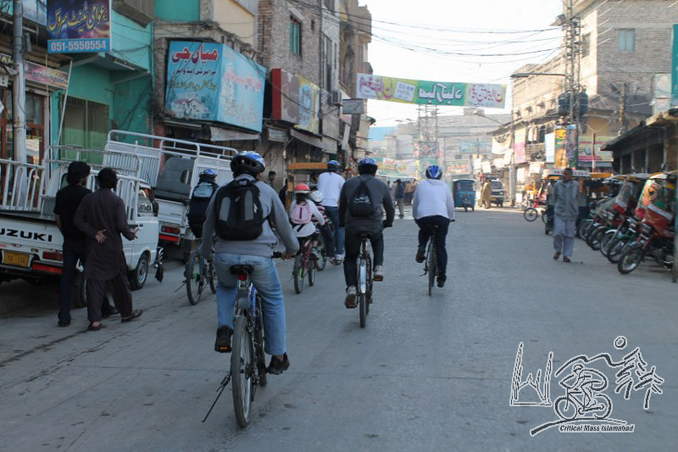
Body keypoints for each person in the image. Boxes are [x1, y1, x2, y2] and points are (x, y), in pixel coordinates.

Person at [201, 151, 299, 375]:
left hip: (224, 256)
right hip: (259, 258)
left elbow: (208, 226)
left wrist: (207, 253)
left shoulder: (220, 192)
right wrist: (292, 250)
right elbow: (283, 226)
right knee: (273, 298)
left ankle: (225, 328)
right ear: (259, 172)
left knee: (226, 287)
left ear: (234, 171)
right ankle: (277, 356)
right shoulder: (266, 191)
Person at [74, 168, 143, 331]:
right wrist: (130, 235)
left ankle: (95, 321)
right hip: (113, 248)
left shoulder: (88, 199)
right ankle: (126, 313)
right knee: (120, 281)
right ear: (114, 183)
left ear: (98, 181)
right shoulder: (116, 201)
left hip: (93, 247)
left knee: (94, 283)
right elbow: (120, 225)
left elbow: (77, 220)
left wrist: (94, 233)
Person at [54, 161, 115, 327]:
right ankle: (104, 308)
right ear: (82, 177)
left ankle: (64, 317)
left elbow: (57, 218)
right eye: (87, 175)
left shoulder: (61, 194)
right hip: (86, 242)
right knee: (94, 276)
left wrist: (66, 233)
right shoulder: (88, 195)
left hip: (69, 242)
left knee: (66, 278)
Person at [339, 158, 395, 308]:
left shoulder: (348, 184)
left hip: (353, 226)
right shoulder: (381, 185)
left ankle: (351, 287)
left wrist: (341, 223)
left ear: (359, 169)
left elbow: (342, 207)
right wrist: (388, 222)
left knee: (350, 257)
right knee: (378, 239)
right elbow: (390, 208)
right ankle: (378, 267)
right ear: (375, 171)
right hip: (374, 224)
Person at [412, 165, 455, 288]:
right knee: (440, 246)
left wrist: (416, 217)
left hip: (423, 216)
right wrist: (451, 217)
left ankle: (421, 247)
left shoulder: (421, 185)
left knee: (424, 230)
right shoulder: (445, 186)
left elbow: (415, 203)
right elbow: (450, 205)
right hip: (442, 217)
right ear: (440, 175)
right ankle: (442, 276)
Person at [316, 160, 346, 263]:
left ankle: (316, 246)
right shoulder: (340, 178)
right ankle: (338, 253)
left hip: (320, 206)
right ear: (337, 169)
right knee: (340, 228)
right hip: (333, 207)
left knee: (320, 226)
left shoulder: (321, 176)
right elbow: (344, 193)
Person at [288, 184, 326, 260]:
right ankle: (314, 249)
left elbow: (290, 216)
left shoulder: (293, 203)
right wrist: (323, 223)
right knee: (317, 233)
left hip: (295, 231)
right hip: (308, 230)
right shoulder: (310, 203)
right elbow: (319, 216)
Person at [553, 168, 580, 263]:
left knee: (569, 235)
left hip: (571, 213)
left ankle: (566, 255)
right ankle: (558, 249)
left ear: (571, 175)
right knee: (558, 233)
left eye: (566, 174)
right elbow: (555, 197)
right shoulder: (557, 185)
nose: (564, 175)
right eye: (563, 174)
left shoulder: (576, 185)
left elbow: (576, 197)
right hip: (560, 212)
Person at [187, 169, 219, 239]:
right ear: (213, 178)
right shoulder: (216, 188)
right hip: (206, 218)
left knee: (196, 238)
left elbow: (191, 203)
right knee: (208, 240)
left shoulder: (197, 188)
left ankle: (193, 249)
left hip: (192, 218)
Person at [309, 190, 335, 261]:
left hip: (311, 225)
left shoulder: (309, 206)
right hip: (321, 225)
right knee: (330, 238)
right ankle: (330, 255)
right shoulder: (322, 208)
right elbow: (323, 219)